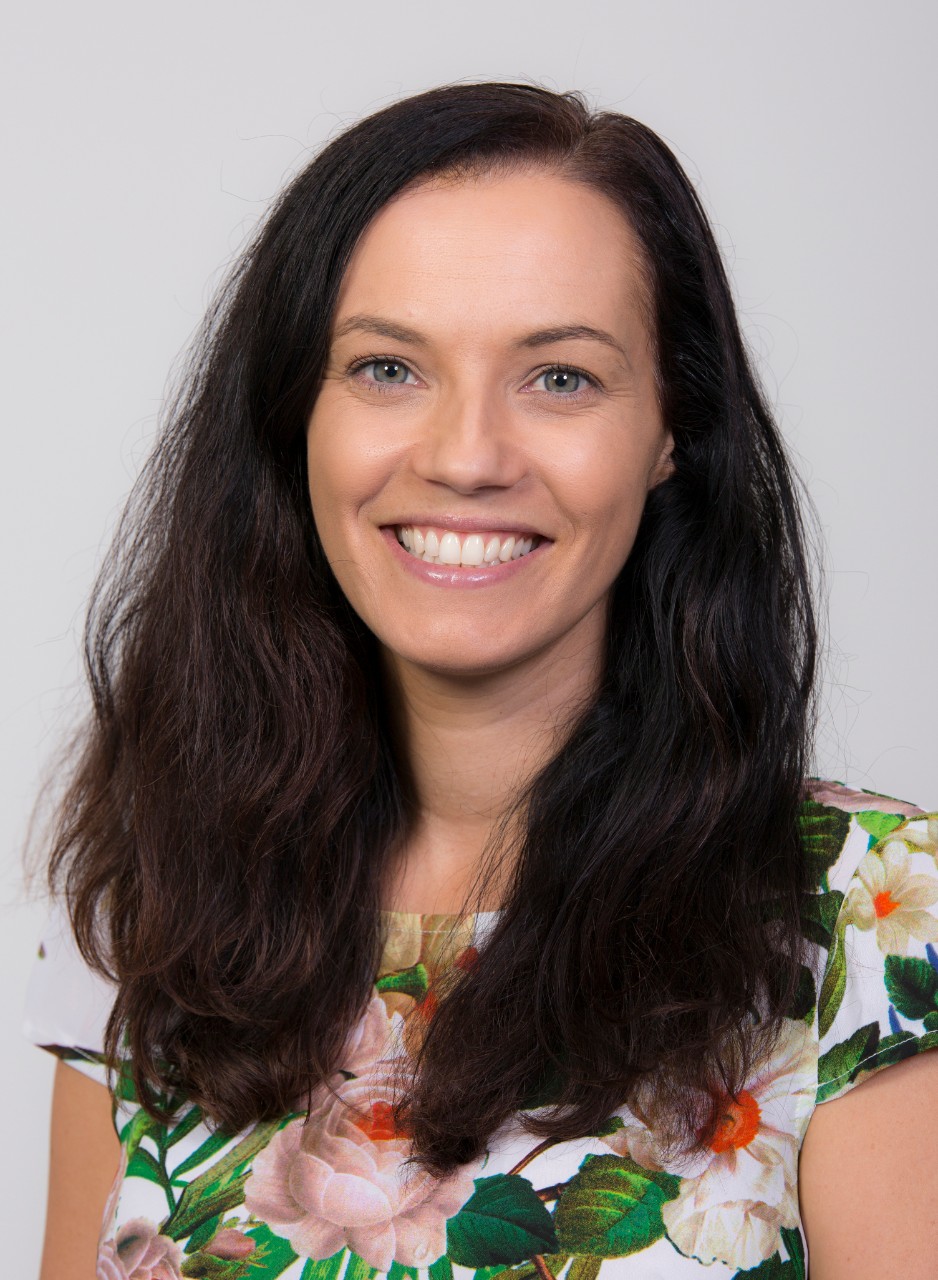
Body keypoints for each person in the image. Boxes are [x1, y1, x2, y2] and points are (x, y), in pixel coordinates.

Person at [24, 81, 938, 1280]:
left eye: (558, 376)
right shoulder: (156, 915)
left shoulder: (877, 921)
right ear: (294, 415)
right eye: (388, 367)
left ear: (672, 428)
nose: (464, 456)